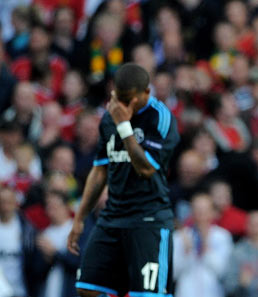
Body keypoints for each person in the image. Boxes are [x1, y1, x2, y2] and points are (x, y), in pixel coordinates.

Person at [67, 63, 180, 297]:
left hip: (149, 219)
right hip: (113, 216)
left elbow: (146, 168)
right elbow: (99, 171)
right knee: (87, 288)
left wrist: (124, 127)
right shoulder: (109, 119)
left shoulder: (160, 118)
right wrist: (79, 219)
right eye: (120, 98)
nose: (124, 106)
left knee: (148, 295)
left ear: (146, 93)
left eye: (130, 99)